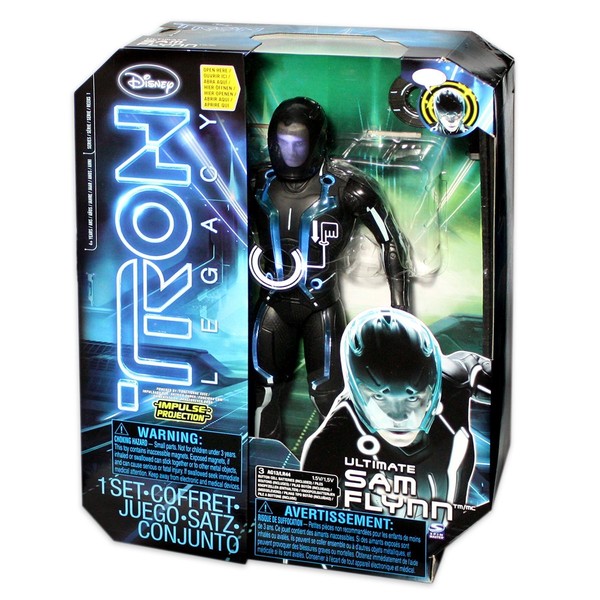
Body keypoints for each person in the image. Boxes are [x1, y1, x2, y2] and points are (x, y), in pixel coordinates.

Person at [250, 97, 411, 440]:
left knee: (329, 397)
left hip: (320, 307)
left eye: (299, 143)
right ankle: (262, 463)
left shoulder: (348, 189)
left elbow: (391, 241)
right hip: (272, 304)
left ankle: (337, 463)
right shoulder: (256, 182)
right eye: (282, 142)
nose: (290, 152)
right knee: (262, 393)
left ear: (318, 142)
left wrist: (401, 310)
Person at [300, 308, 491, 523]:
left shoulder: (454, 381)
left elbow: (478, 367)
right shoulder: (329, 443)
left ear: (431, 390)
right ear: (358, 390)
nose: (399, 417)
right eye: (380, 397)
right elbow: (311, 525)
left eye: (412, 397)